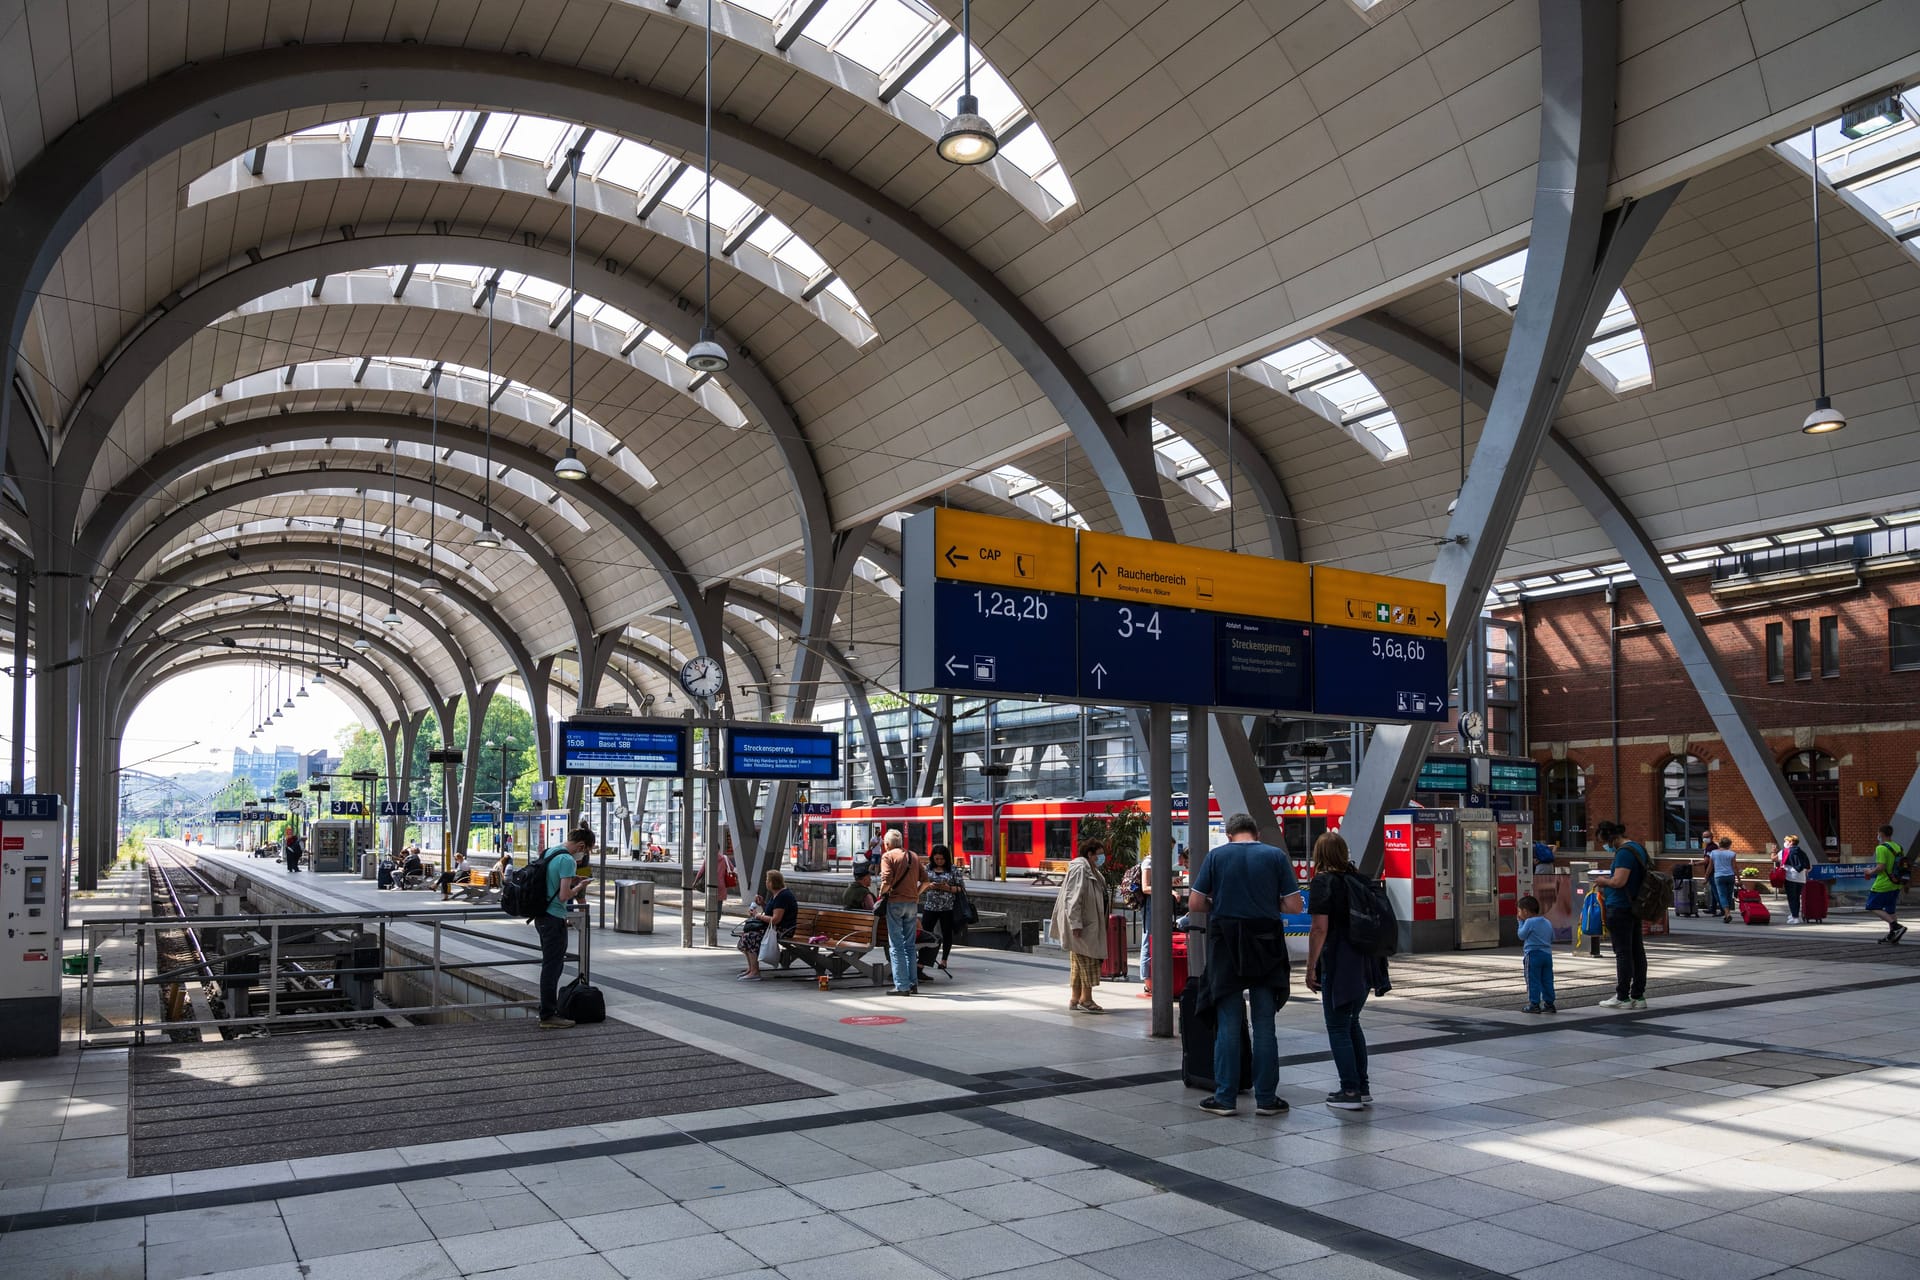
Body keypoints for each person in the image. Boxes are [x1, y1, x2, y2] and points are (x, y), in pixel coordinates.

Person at [1190, 814, 1302, 1117]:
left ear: (1229, 835)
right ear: (1256, 833)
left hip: (1226, 944)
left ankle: (1225, 1098)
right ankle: (1266, 1099)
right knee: (1264, 1025)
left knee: (1228, 1024)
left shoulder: (1217, 856)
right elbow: (1295, 906)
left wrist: (1221, 903)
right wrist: (1268, 903)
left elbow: (1196, 904)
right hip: (1266, 946)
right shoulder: (1274, 856)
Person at [1303, 832, 1383, 1111]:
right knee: (1352, 1023)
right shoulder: (1359, 880)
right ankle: (1362, 1087)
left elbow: (1319, 928)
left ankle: (1349, 1091)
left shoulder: (1323, 882)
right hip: (1365, 961)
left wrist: (1311, 966)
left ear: (1319, 855)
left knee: (1337, 1026)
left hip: (1340, 962)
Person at [533, 827, 593, 1029]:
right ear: (582, 845)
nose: (583, 856)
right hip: (554, 917)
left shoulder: (551, 851)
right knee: (552, 967)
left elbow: (554, 882)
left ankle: (547, 1011)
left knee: (550, 965)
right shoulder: (567, 859)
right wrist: (579, 887)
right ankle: (548, 1015)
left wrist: (570, 881)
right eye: (585, 852)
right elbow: (564, 896)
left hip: (541, 916)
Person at [1591, 820, 1650, 1010]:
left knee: (1623, 953)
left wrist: (1602, 881)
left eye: (1605, 842)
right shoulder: (1637, 848)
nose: (1605, 846)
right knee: (1636, 951)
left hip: (1621, 907)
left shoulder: (1624, 852)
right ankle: (1638, 996)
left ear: (1612, 838)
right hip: (1633, 905)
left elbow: (1618, 881)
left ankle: (1622, 996)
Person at [1049, 837, 1111, 1013]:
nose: (1102, 857)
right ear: (1089, 854)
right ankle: (1087, 999)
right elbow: (1073, 897)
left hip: (1088, 923)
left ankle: (1075, 997)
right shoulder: (1080, 868)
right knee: (1089, 960)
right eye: (1099, 854)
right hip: (1082, 925)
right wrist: (1075, 923)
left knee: (1078, 961)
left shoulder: (1092, 870)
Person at [877, 830, 928, 995]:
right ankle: (913, 983)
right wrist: (916, 893)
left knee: (896, 946)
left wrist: (881, 894)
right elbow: (926, 881)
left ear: (888, 844)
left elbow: (886, 880)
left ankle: (901, 986)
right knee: (910, 946)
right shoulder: (913, 855)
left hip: (895, 904)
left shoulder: (888, 856)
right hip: (912, 904)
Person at [738, 870, 798, 981]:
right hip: (774, 928)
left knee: (751, 937)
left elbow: (775, 920)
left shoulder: (783, 896)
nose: (766, 882)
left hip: (783, 930)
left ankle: (755, 972)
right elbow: (770, 913)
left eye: (767, 880)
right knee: (745, 935)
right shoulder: (776, 895)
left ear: (771, 883)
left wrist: (757, 916)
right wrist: (763, 904)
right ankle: (751, 969)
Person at [920, 845, 965, 971]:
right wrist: (929, 886)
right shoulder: (927, 868)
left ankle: (944, 960)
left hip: (947, 907)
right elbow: (921, 885)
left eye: (942, 859)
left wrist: (948, 888)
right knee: (925, 933)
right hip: (930, 906)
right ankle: (922, 961)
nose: (939, 861)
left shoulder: (953, 869)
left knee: (946, 934)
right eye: (936, 859)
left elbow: (961, 888)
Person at [1869, 825, 1908, 944]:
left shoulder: (1881, 848)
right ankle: (1893, 935)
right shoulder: (1898, 847)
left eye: (1878, 833)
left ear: (1881, 834)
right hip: (1896, 882)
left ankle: (1896, 926)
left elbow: (1881, 867)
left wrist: (1870, 872)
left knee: (1872, 906)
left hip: (1883, 883)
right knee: (1890, 909)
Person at [1517, 894, 1555, 1013]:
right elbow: (1552, 937)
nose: (1518, 914)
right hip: (1547, 955)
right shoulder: (1547, 921)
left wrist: (1520, 923)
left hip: (1533, 955)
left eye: (1519, 911)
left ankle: (1534, 1004)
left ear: (1525, 911)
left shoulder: (1529, 922)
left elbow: (1521, 935)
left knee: (1533, 979)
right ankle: (1549, 1004)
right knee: (1547, 979)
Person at [1777, 834, 1810, 924]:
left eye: (1786, 841)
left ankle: (1795, 917)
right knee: (1797, 898)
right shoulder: (1802, 852)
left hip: (1790, 877)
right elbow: (1808, 866)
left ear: (1791, 842)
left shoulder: (1785, 851)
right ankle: (1794, 914)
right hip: (1801, 878)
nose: (1785, 843)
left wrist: (1773, 851)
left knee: (1791, 898)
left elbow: (1775, 859)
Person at [1707, 836, 1739, 924]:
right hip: (1730, 876)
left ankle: (1727, 913)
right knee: (1729, 895)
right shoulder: (1732, 854)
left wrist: (1706, 877)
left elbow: (1710, 866)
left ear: (1720, 844)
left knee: (1722, 895)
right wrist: (1739, 878)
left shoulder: (1713, 853)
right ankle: (1726, 914)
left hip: (1719, 876)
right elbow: (1735, 867)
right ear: (1729, 845)